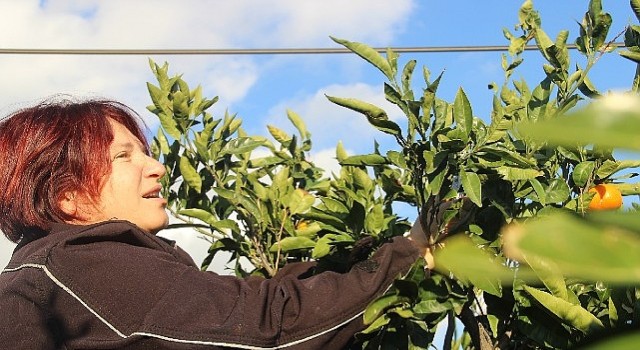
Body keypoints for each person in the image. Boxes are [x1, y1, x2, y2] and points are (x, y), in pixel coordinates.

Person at [0, 97, 443, 349]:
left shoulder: (52, 272)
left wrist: (351, 259)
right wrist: (408, 254)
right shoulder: (87, 264)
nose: (155, 167)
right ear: (68, 198)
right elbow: (266, 326)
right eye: (123, 156)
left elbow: (229, 302)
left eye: (145, 150)